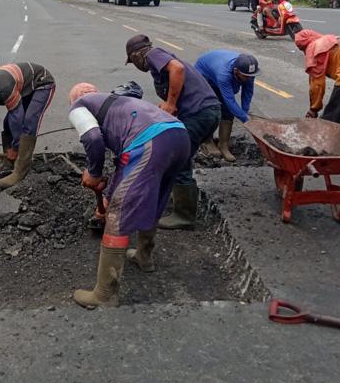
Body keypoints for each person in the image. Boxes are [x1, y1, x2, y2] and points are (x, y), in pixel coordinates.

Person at [68, 83, 191, 308]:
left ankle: (105, 295)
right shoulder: (121, 105)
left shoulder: (78, 105)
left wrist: (93, 173)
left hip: (151, 142)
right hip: (179, 137)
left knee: (117, 214)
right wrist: (108, 194)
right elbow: (124, 164)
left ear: (76, 98)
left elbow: (93, 138)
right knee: (154, 197)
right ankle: (144, 256)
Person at [125, 34, 221, 229]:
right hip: (206, 112)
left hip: (200, 113)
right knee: (178, 156)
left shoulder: (153, 54)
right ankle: (177, 200)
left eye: (132, 61)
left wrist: (171, 103)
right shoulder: (159, 62)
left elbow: (178, 69)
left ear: (136, 55)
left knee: (179, 159)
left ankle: (184, 216)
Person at [194, 50, 261, 162]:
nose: (249, 78)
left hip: (219, 71)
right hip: (204, 76)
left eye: (251, 76)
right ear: (236, 71)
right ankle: (207, 141)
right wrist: (245, 120)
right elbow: (229, 100)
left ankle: (223, 145)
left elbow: (248, 92)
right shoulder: (223, 75)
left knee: (228, 113)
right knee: (210, 110)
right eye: (246, 76)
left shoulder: (248, 73)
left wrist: (245, 112)